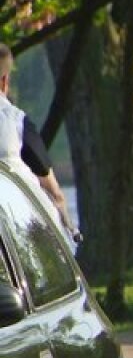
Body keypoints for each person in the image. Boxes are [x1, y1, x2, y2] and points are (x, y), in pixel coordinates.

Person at [0, 44, 79, 241]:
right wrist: (69, 227)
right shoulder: (15, 121)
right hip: (14, 231)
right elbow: (54, 192)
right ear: (4, 81)